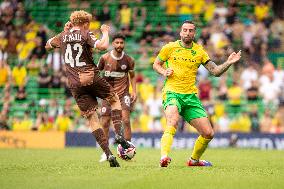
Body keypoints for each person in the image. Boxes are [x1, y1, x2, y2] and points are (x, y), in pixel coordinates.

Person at [45, 10, 130, 167]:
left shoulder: (62, 36)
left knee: (92, 118)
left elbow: (48, 45)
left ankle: (108, 155)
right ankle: (118, 134)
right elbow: (103, 46)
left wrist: (64, 31)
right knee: (114, 99)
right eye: (88, 24)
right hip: (90, 76)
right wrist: (105, 32)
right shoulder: (85, 33)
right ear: (85, 24)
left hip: (74, 83)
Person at [153, 20, 241, 167]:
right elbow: (156, 64)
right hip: (172, 92)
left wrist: (228, 62)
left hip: (190, 97)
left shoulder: (199, 51)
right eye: (185, 30)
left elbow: (215, 71)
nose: (187, 33)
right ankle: (164, 157)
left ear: (194, 33)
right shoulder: (169, 47)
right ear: (181, 32)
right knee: (172, 121)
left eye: (190, 30)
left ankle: (193, 161)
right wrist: (164, 71)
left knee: (208, 133)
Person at [97, 33, 136, 162]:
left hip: (123, 94)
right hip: (108, 95)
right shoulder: (104, 58)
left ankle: (127, 148)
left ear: (124, 44)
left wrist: (134, 91)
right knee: (105, 122)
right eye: (117, 43)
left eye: (122, 43)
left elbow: (133, 76)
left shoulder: (129, 60)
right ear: (113, 44)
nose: (119, 45)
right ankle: (106, 152)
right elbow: (96, 74)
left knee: (125, 120)